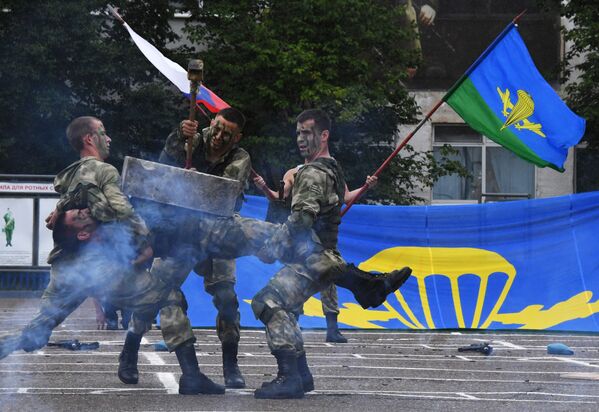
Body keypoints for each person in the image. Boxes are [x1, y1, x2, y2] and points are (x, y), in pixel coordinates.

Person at [250, 109, 412, 399]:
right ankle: (370, 286)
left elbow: (300, 221)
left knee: (267, 302)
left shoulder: (311, 174)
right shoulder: (332, 167)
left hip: (310, 257)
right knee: (287, 310)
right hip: (326, 257)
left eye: (307, 132)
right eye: (298, 132)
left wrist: (272, 247)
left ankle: (290, 377)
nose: (300, 138)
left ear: (323, 135)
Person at [154, 107, 250, 388]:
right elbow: (162, 168)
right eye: (217, 128)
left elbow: (223, 194)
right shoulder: (193, 138)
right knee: (160, 290)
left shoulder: (240, 157)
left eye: (227, 134)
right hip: (180, 230)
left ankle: (231, 365)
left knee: (227, 299)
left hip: (217, 231)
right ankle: (186, 367)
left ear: (237, 137)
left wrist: (190, 183)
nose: (218, 137)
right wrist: (177, 137)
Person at [253, 164, 378, 343]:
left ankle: (332, 329)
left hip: (323, 235)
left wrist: (366, 187)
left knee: (329, 278)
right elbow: (278, 196)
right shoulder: (294, 173)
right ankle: (293, 324)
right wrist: (264, 187)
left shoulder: (332, 173)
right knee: (297, 276)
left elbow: (347, 197)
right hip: (303, 236)